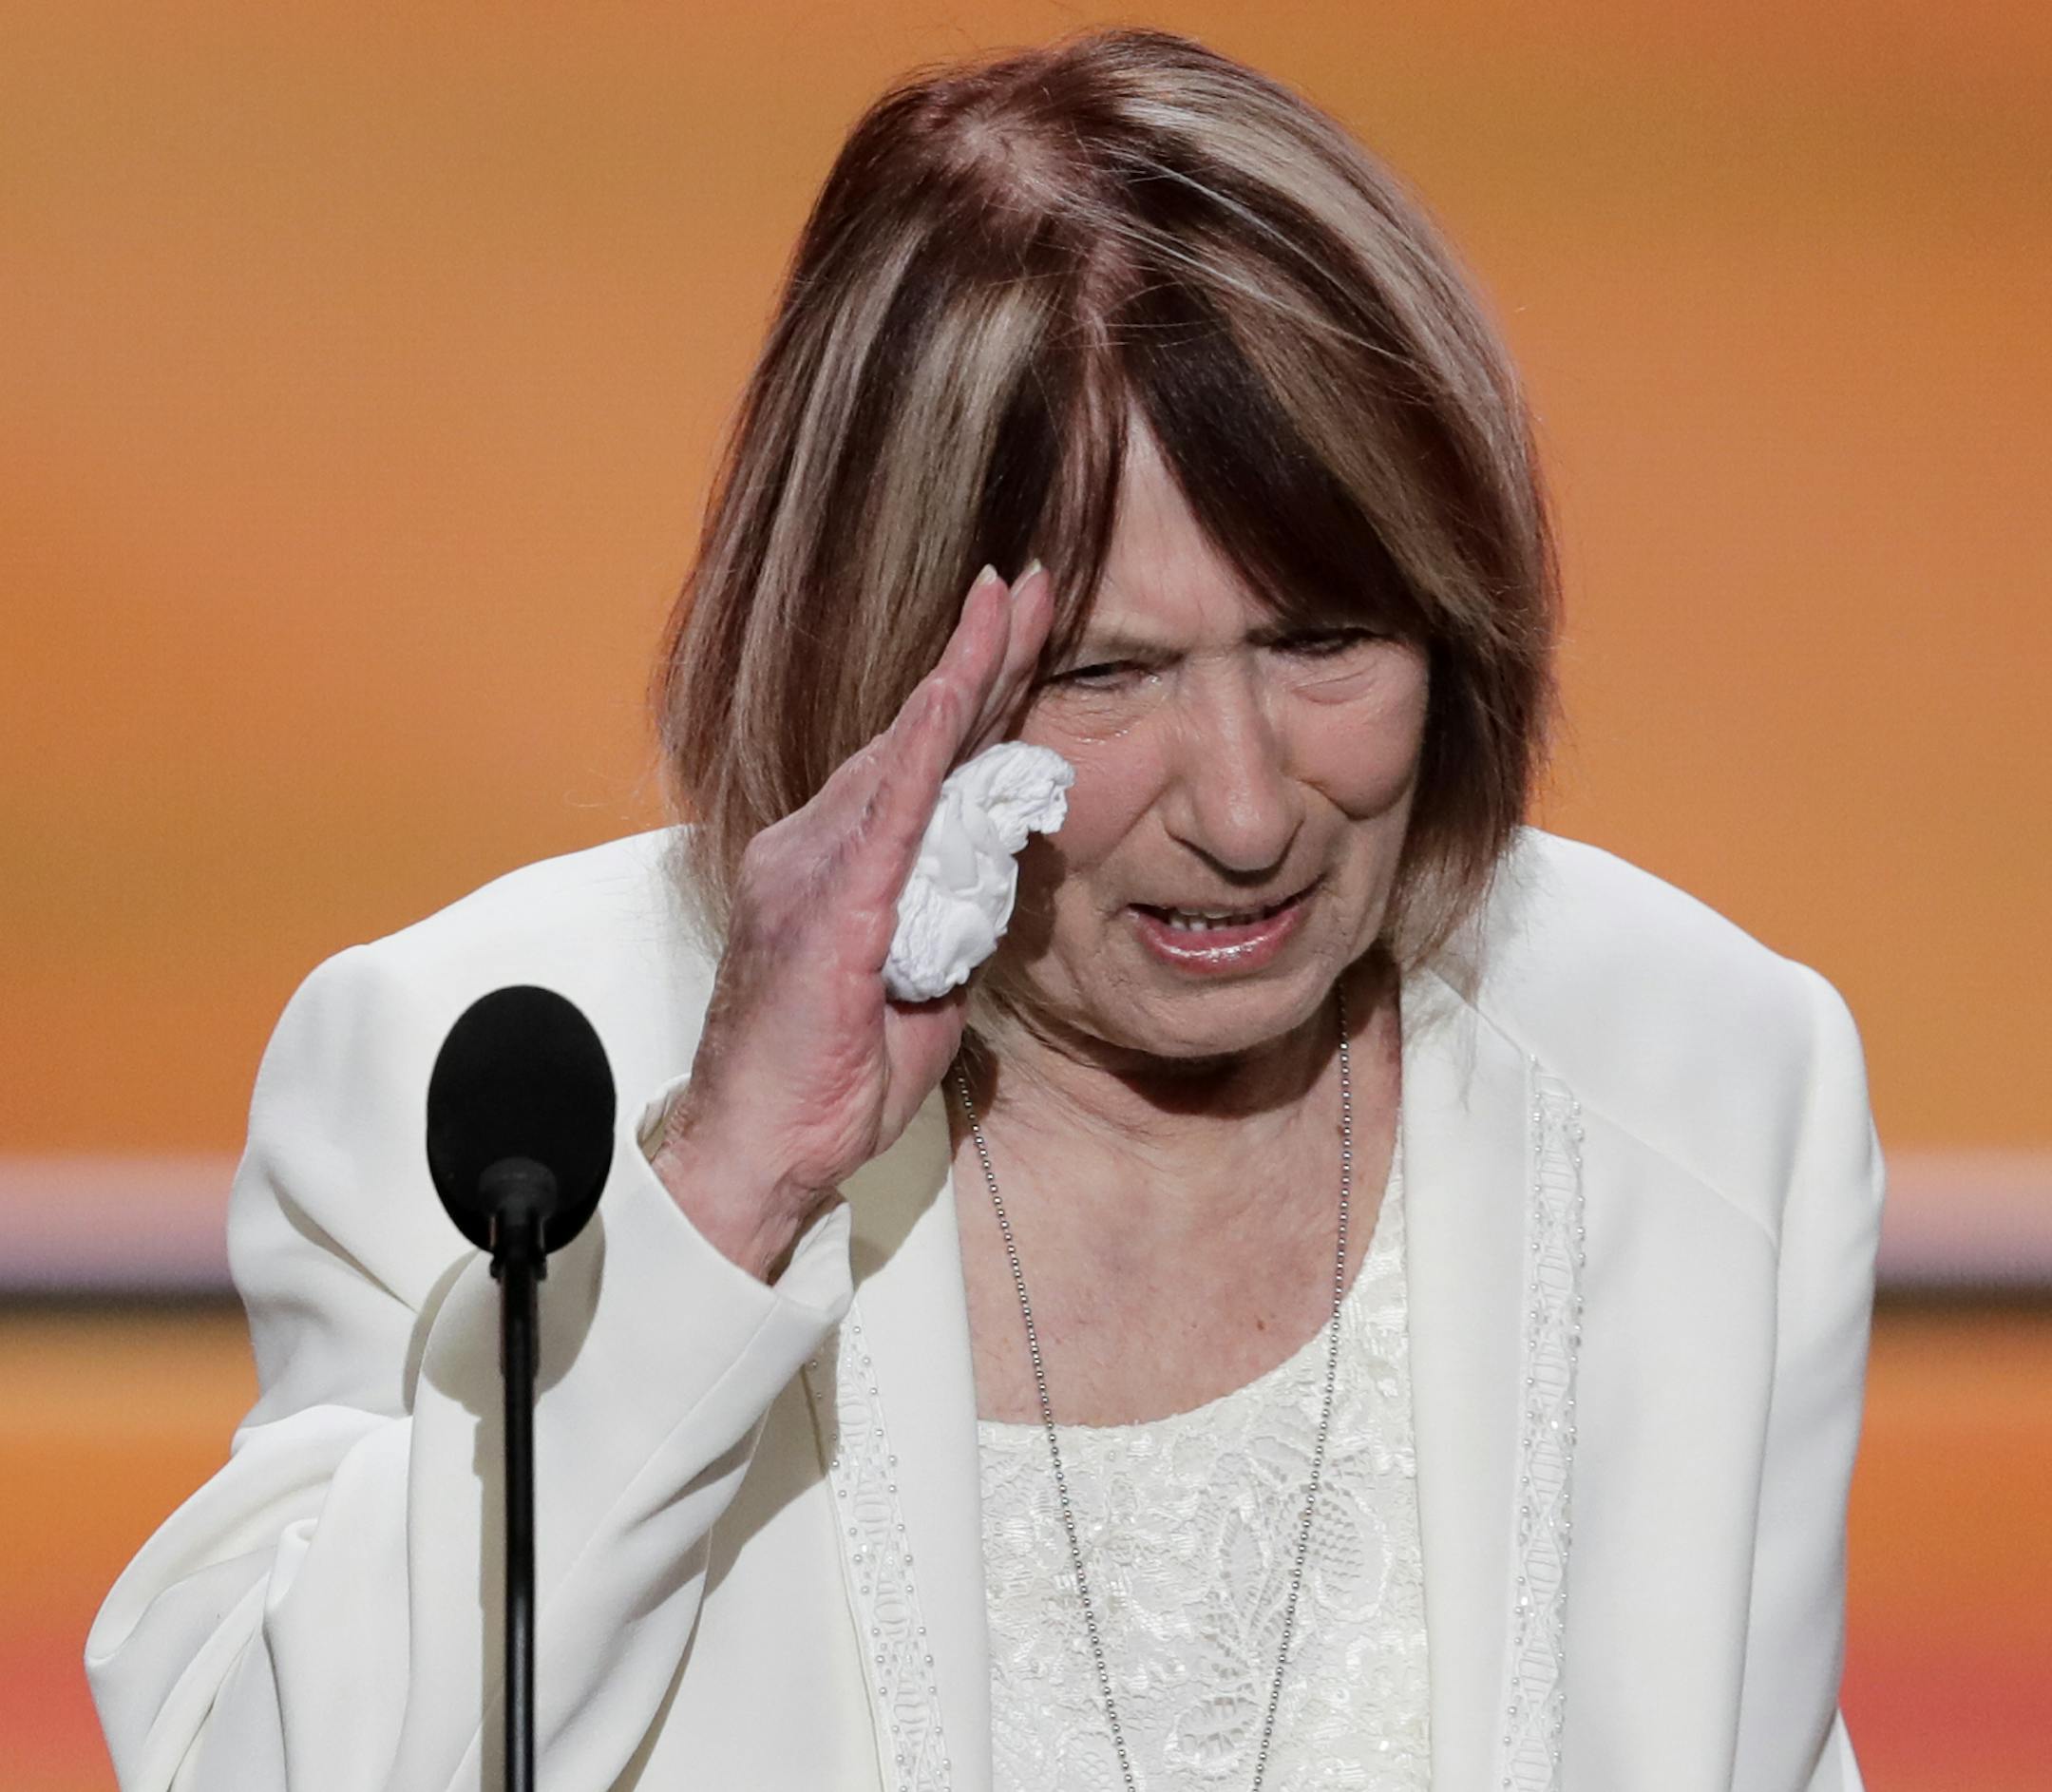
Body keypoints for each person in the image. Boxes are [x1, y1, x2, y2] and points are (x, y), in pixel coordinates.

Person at [86, 27, 1883, 1792]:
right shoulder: (493, 1087)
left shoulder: (1716, 1093)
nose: (1249, 810)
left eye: (1323, 640)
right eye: (1107, 673)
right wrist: (722, 1194)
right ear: (874, 650)